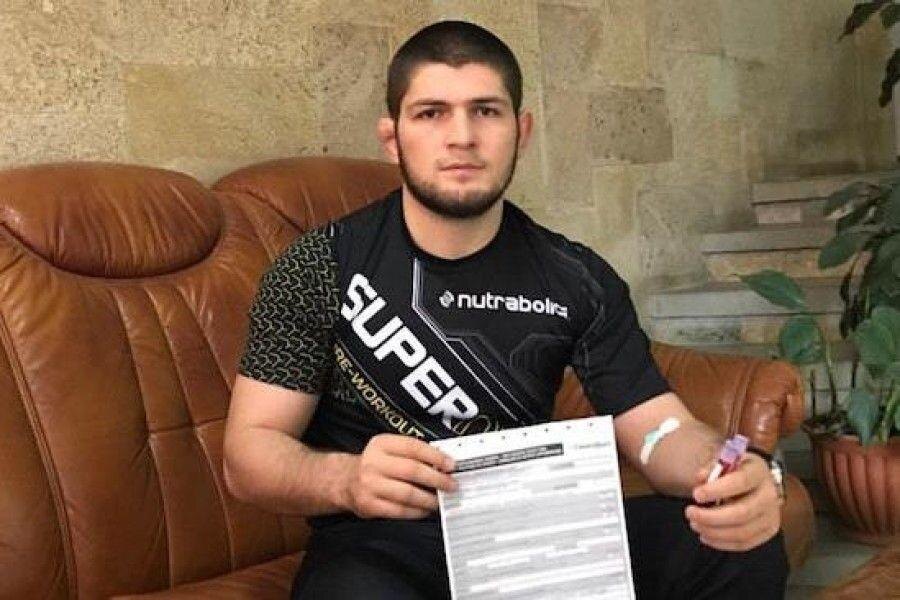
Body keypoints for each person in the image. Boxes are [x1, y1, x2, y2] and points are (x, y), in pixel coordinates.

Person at [223, 20, 788, 600]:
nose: (462, 136)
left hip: (532, 530)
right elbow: (249, 454)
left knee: (735, 547)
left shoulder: (579, 279)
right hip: (380, 543)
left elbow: (659, 430)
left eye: (486, 111)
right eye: (431, 113)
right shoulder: (320, 265)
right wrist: (346, 479)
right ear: (392, 138)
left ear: (522, 130)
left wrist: (733, 472)